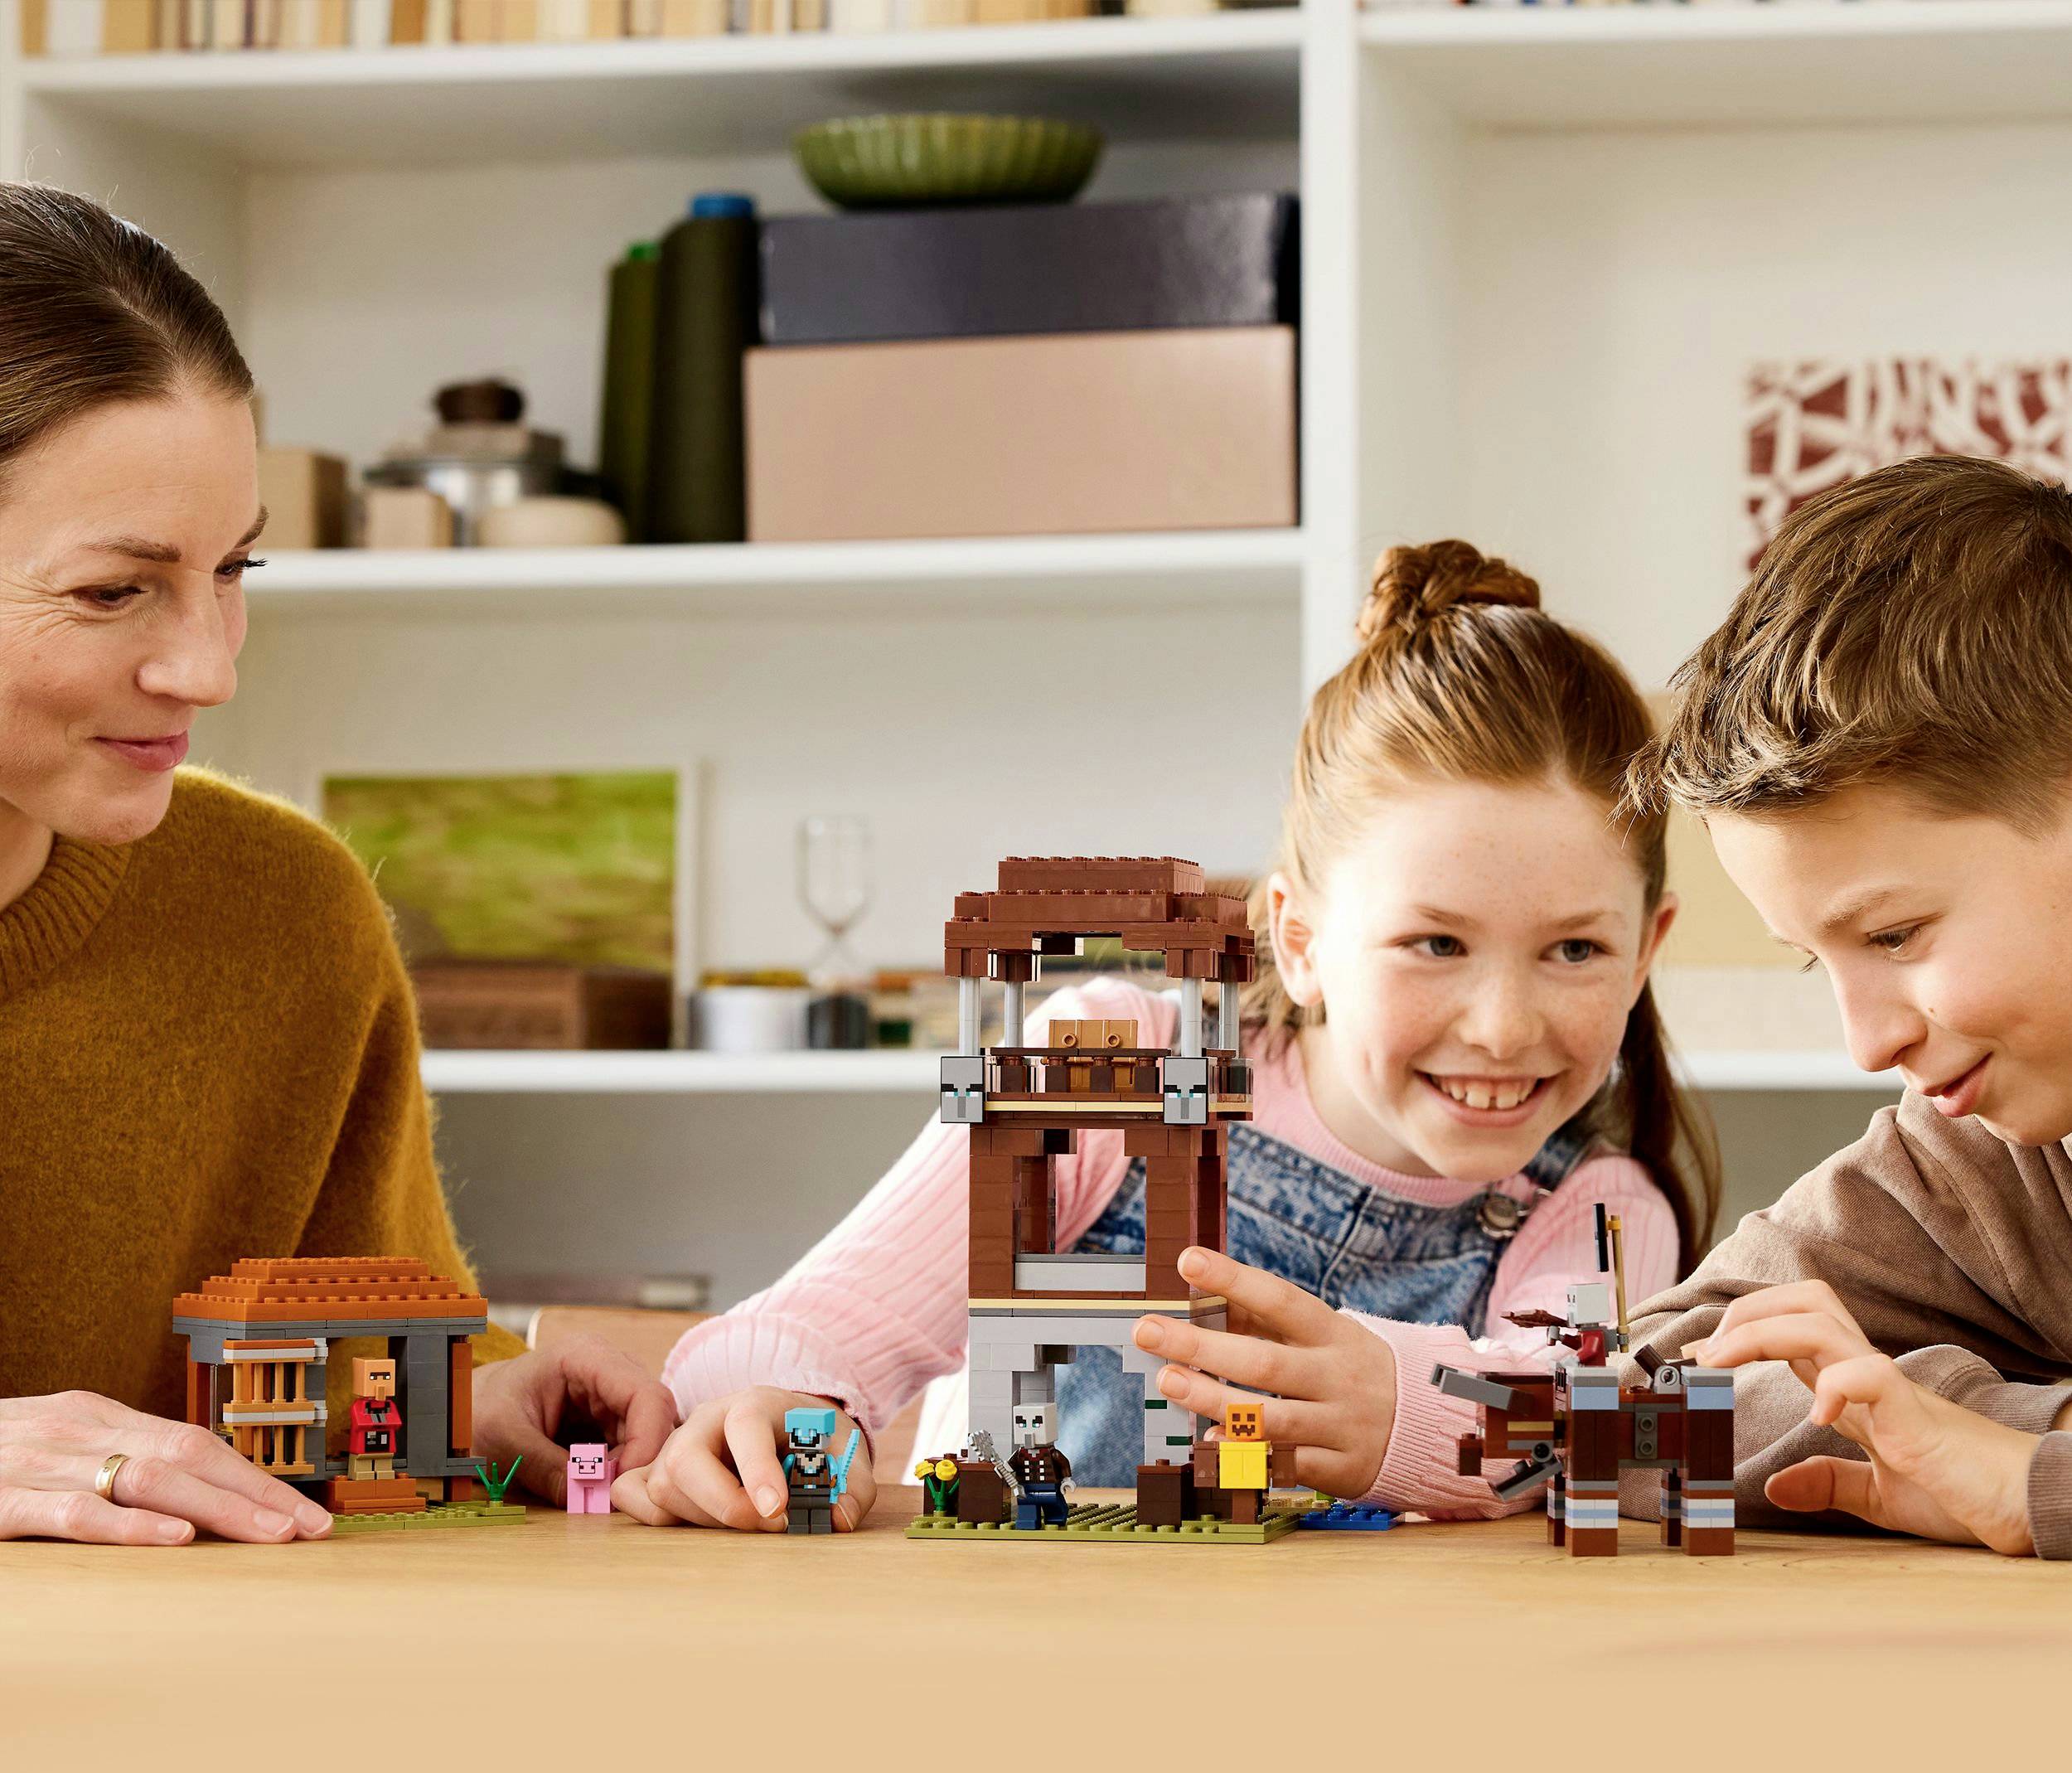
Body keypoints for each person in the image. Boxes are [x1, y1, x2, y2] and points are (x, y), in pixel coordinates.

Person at [613, 540, 1719, 1532]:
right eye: (1434, 943)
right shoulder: (1111, 1067)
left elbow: (1577, 1434)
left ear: (1647, 944)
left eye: (1575, 951)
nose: (1504, 1025)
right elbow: (838, 1319)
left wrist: (1400, 1414)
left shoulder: (1602, 1211)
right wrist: (782, 1403)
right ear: (1299, 939)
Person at [0, 182, 673, 1543]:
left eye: (232, 570)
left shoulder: (283, 911)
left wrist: (472, 1405)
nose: (208, 668)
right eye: (113, 589)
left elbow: (350, 1349)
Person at [1610, 454, 2072, 1557]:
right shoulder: (1979, 1160)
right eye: (1821, 962)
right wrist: (1955, 1433)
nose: (1870, 1045)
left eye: (1896, 935)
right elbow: (1637, 1397)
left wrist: (2029, 1480)